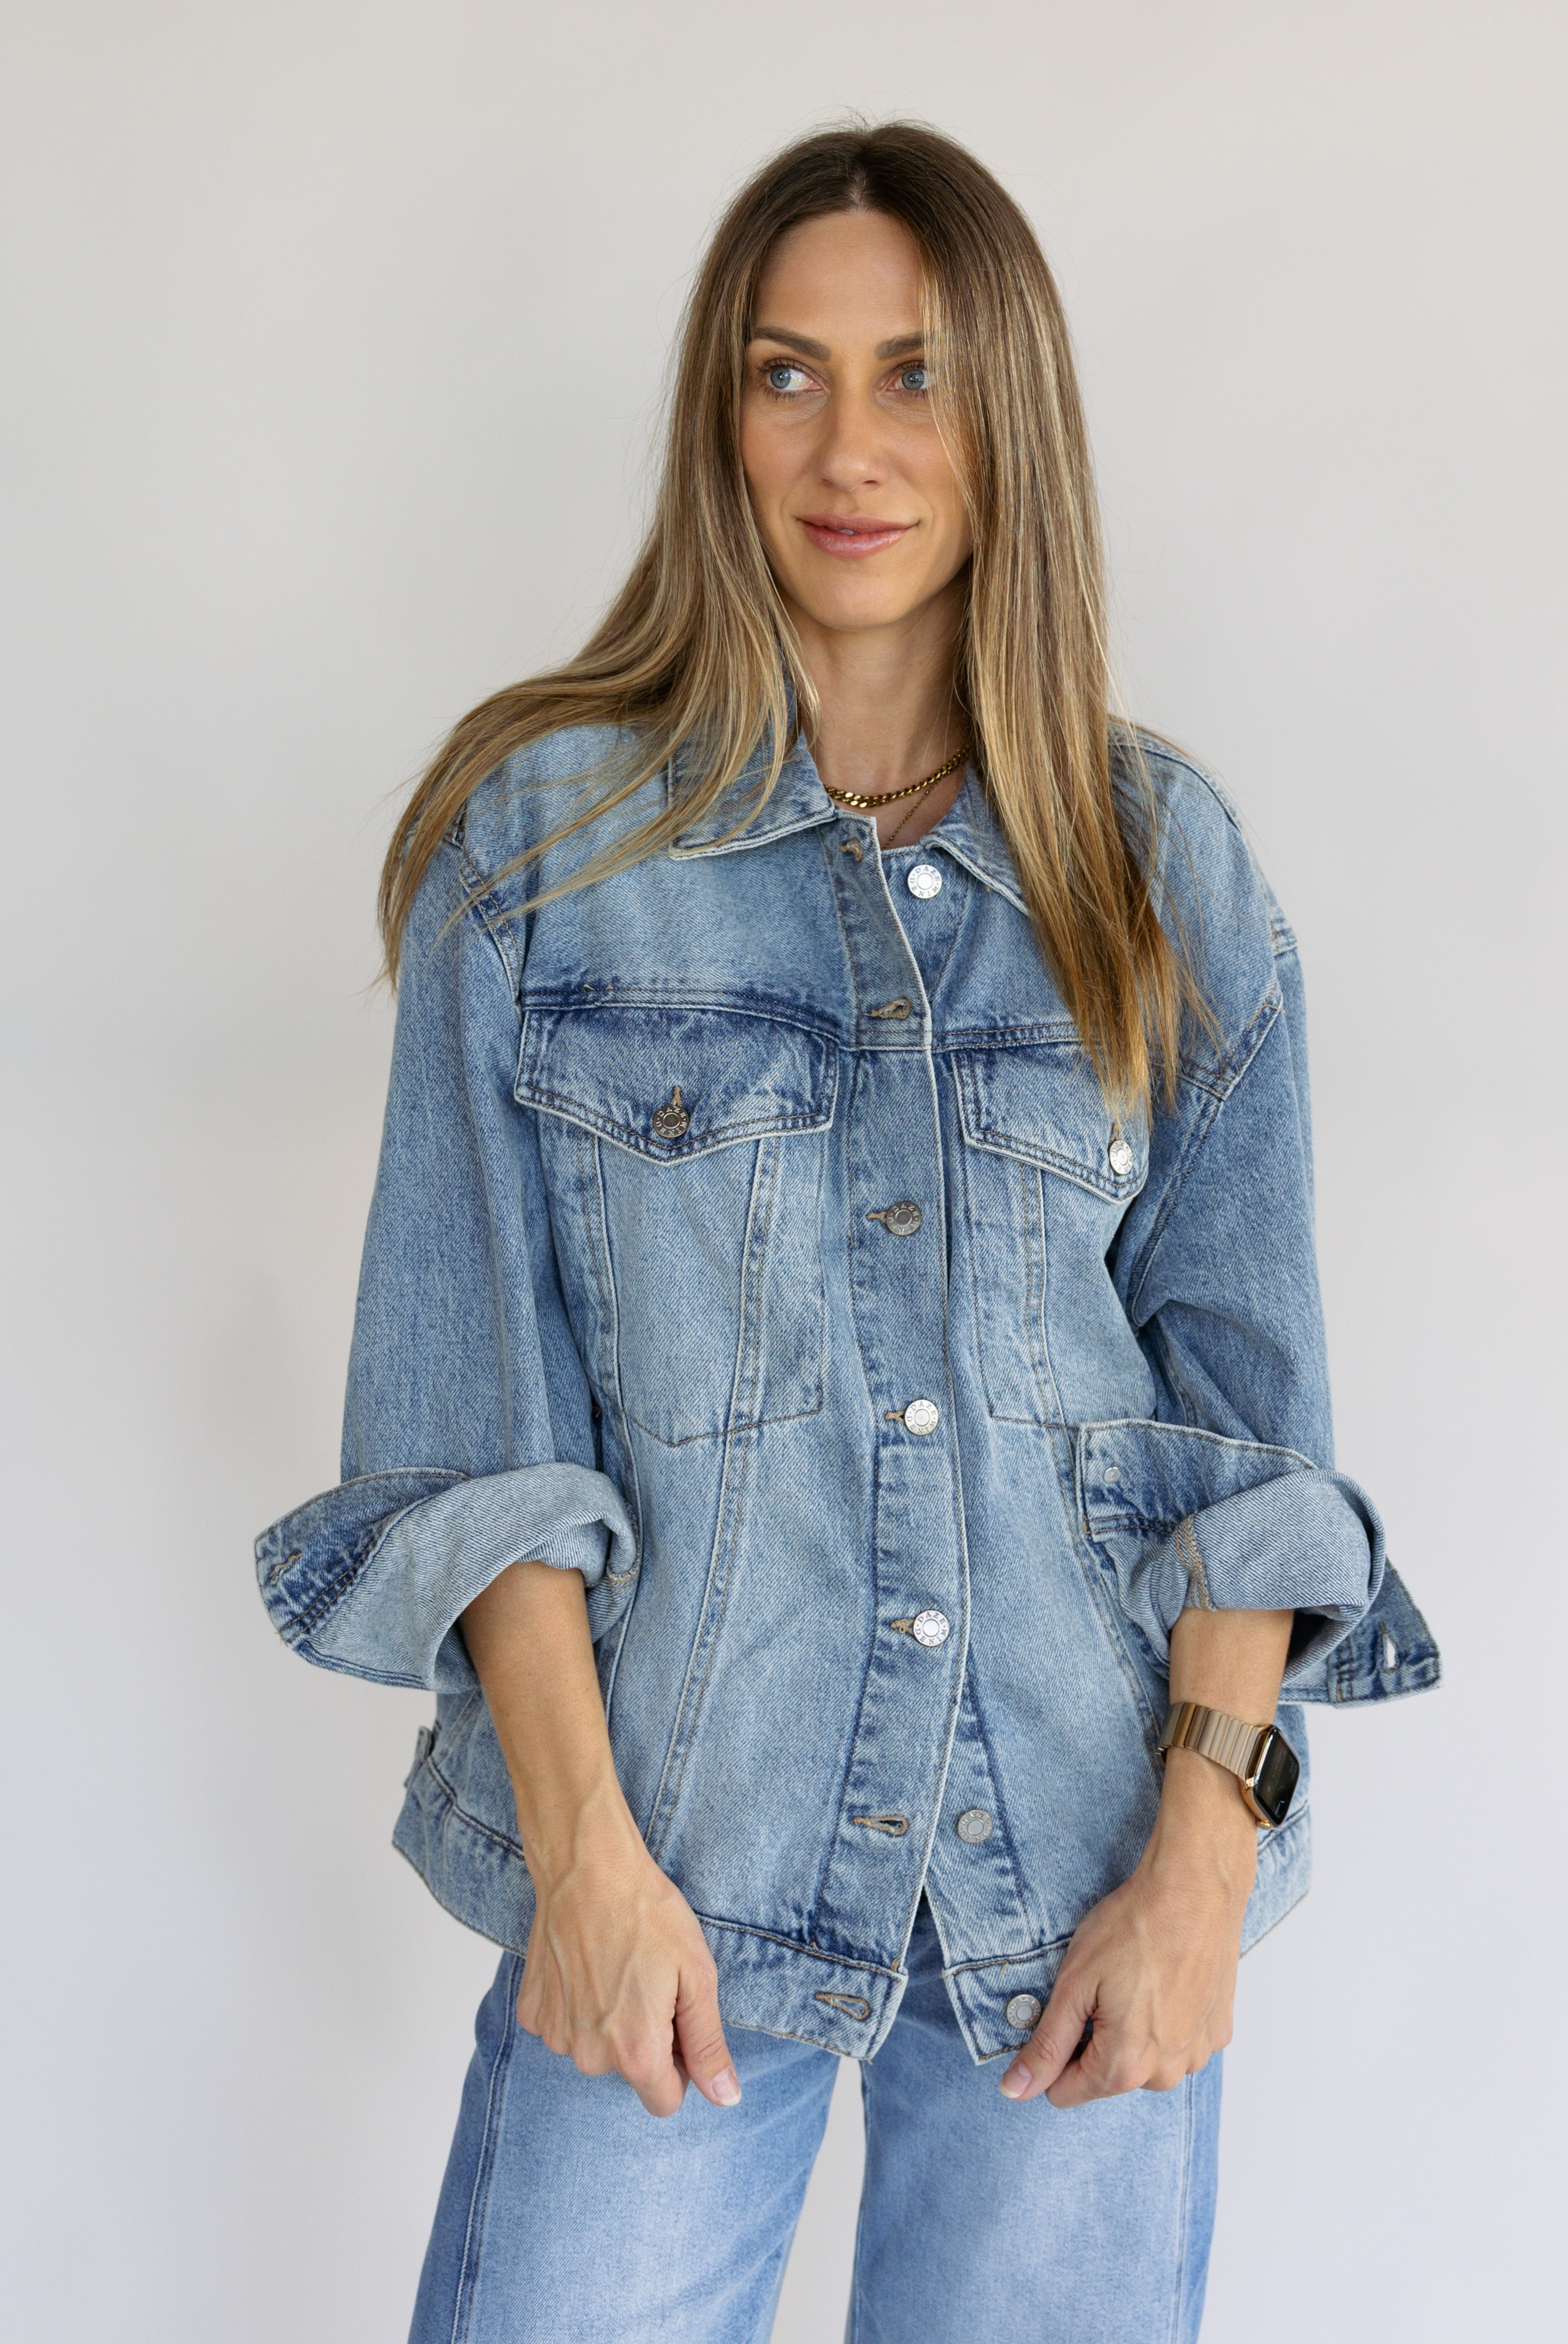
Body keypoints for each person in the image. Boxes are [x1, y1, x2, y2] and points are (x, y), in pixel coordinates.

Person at [255, 120, 1438, 2344]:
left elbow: (1249, 1448)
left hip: (1080, 1890)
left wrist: (1197, 1877)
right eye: (784, 373)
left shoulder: (1160, 869)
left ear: (1012, 418)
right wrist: (584, 1867)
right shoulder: (547, 851)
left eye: (917, 375)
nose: (848, 448)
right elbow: (473, 1433)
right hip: (668, 1874)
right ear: (720, 416)